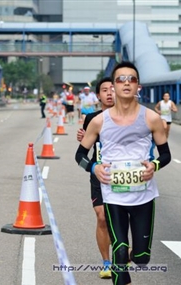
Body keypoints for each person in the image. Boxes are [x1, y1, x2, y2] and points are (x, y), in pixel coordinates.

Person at [75, 61, 171, 285]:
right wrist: (93, 167)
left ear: (139, 86)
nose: (126, 83)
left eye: (132, 79)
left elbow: (166, 155)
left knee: (141, 257)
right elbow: (79, 156)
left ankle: (129, 260)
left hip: (143, 195)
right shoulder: (98, 121)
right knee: (119, 251)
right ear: (113, 86)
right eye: (121, 79)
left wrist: (154, 165)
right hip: (113, 195)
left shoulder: (151, 118)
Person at [77, 77, 115, 279]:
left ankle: (124, 253)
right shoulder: (92, 118)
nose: (109, 93)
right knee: (102, 217)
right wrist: (92, 168)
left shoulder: (132, 118)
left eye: (113, 89)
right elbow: (81, 154)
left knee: (120, 220)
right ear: (98, 96)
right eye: (104, 90)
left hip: (124, 177)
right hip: (100, 176)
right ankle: (107, 262)